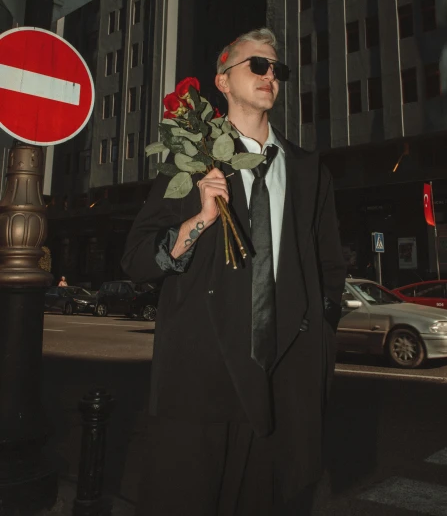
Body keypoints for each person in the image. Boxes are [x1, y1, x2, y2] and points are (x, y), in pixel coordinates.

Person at [122, 27, 345, 515]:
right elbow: (138, 257)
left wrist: (319, 336)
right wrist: (199, 219)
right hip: (202, 380)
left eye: (278, 70)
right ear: (222, 81)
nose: (271, 76)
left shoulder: (309, 171)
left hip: (282, 384)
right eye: (258, 65)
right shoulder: (190, 160)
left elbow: (331, 267)